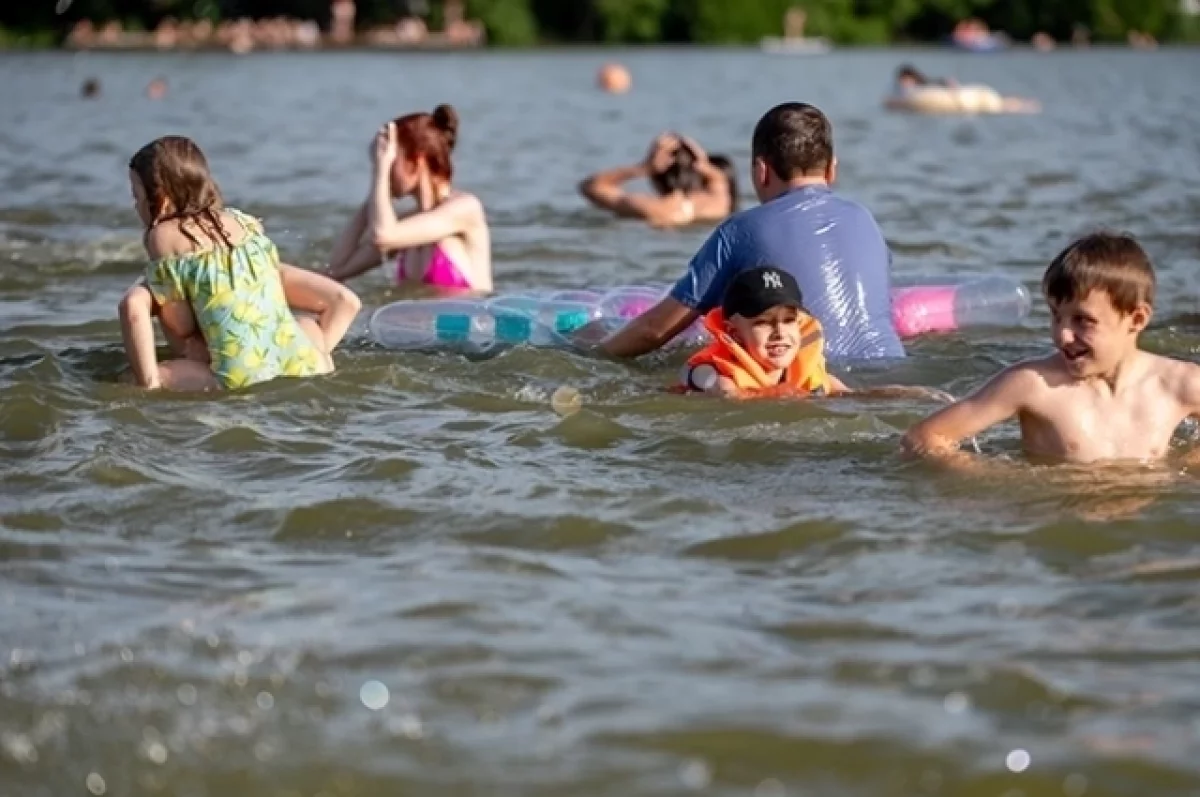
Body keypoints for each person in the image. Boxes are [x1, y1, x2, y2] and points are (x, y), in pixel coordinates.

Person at [600, 102, 903, 361]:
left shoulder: (740, 230)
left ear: (761, 170)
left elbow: (655, 329)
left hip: (812, 381)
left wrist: (590, 356)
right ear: (831, 169)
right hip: (889, 365)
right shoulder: (867, 221)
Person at [902, 232, 1200, 465]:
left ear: (1136, 319)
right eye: (1056, 316)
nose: (1062, 335)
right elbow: (925, 437)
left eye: (1083, 320)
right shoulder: (1033, 384)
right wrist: (993, 479)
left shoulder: (1179, 384)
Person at [118, 136, 361, 391]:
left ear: (162, 198)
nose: (136, 206)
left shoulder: (164, 235)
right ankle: (315, 360)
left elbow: (182, 325)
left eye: (137, 197)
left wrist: (158, 294)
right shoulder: (244, 222)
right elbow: (345, 301)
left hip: (237, 377)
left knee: (136, 376)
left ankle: (149, 385)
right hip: (303, 361)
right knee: (305, 324)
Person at [678, 266, 946, 401]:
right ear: (734, 334)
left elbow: (853, 397)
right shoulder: (715, 375)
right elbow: (712, 388)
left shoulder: (809, 372)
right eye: (763, 323)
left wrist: (905, 395)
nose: (779, 332)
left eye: (789, 320)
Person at [325, 105, 492, 293]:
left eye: (390, 161)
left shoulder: (465, 209)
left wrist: (381, 172)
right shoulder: (405, 228)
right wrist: (377, 189)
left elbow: (383, 236)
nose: (383, 170)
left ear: (417, 161)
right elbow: (336, 270)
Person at [578, 133, 738, 228]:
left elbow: (591, 186)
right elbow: (720, 181)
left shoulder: (649, 208)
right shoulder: (716, 204)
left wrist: (643, 168)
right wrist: (702, 163)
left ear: (655, 176)